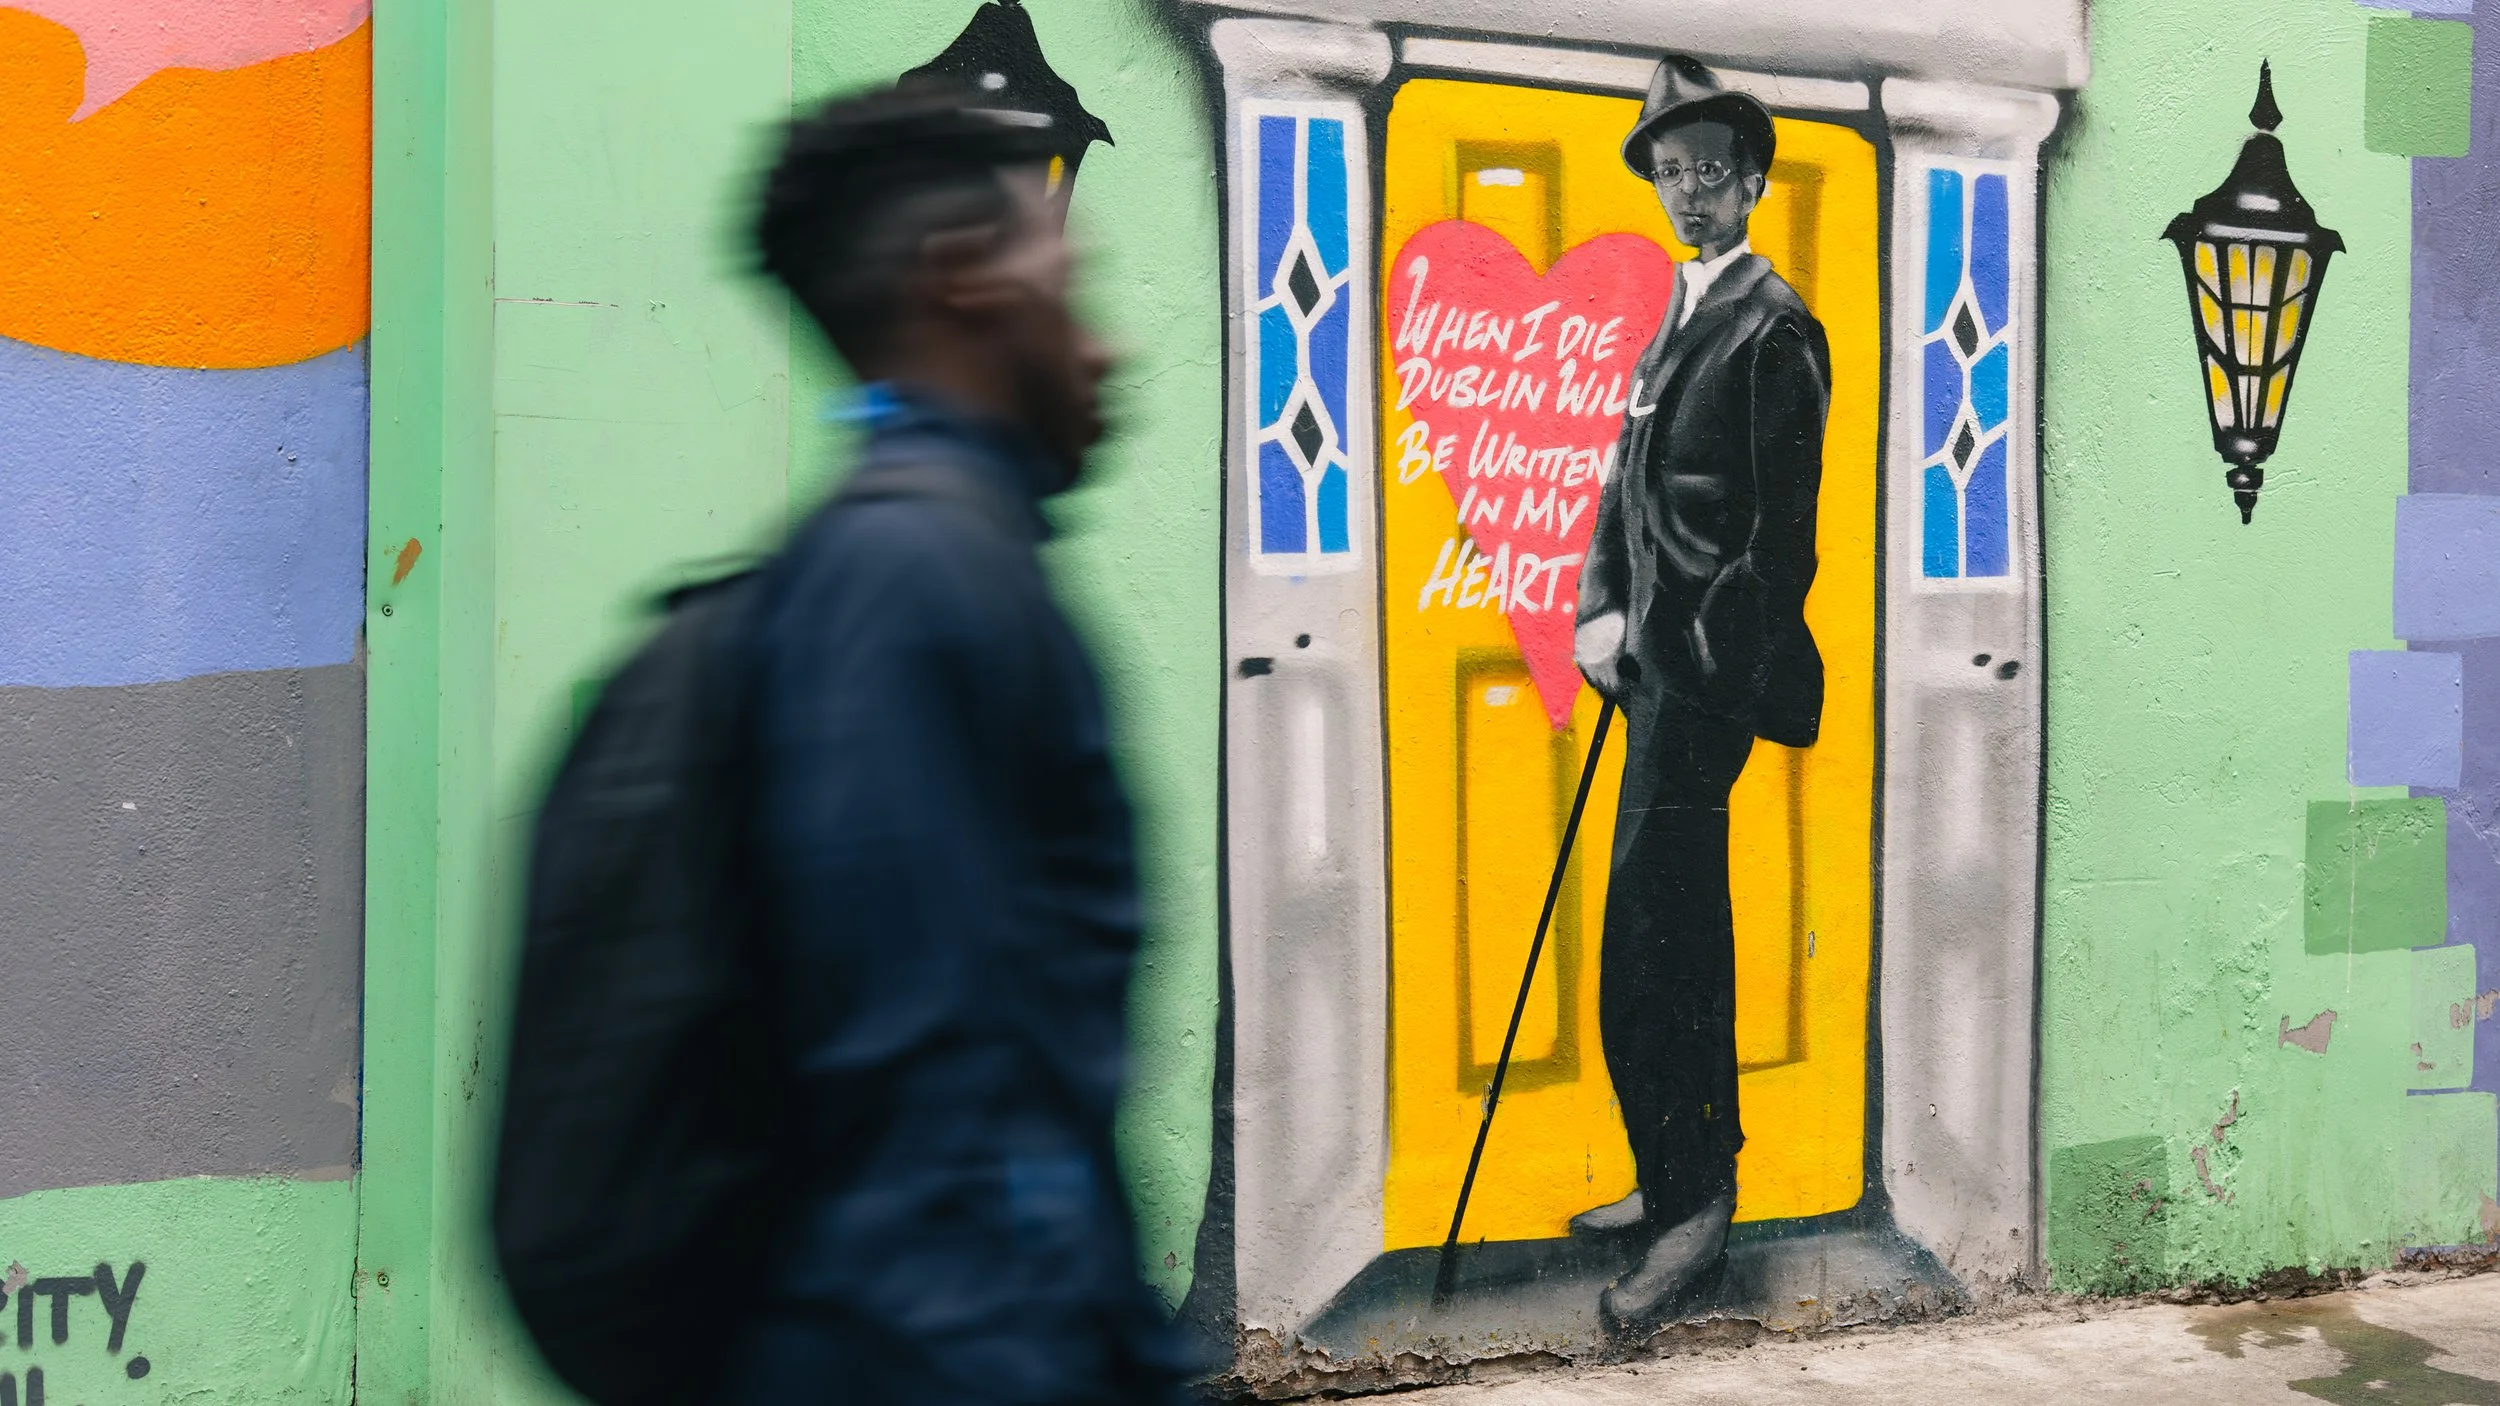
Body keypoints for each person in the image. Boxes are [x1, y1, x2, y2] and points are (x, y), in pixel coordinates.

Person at [730, 84, 1188, 1403]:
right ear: (965, 276)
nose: (1105, 349)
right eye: (1072, 283)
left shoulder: (935, 554)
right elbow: (937, 1103)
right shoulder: (914, 574)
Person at [1569, 54, 1833, 1331]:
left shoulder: (1774, 326)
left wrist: (1691, 659)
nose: (1688, 194)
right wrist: (1597, 613)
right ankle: (1665, 1173)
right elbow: (1624, 485)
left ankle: (1697, 1215)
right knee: (1642, 936)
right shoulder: (1673, 312)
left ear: (1752, 179)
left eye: (1710, 173)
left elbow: (1782, 545)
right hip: (1647, 673)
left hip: (1706, 684)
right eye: (1670, 174)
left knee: (1662, 935)